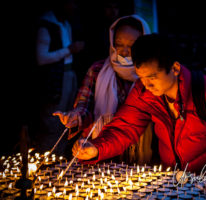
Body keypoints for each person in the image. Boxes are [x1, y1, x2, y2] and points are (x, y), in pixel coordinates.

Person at [71, 34, 206, 176]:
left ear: (175, 69)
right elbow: (125, 127)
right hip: (173, 181)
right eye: (141, 77)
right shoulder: (145, 92)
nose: (146, 85)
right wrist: (96, 148)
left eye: (152, 77)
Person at [53, 15, 153, 164]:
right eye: (119, 44)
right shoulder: (98, 70)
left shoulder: (150, 74)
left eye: (132, 46)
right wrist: (75, 117)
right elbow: (84, 106)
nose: (124, 52)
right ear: (112, 42)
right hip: (98, 145)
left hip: (139, 149)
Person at [33, 0, 85, 155]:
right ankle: (46, 161)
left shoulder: (66, 23)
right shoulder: (47, 25)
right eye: (71, 3)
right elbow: (41, 58)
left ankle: (58, 161)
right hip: (54, 81)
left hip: (69, 76)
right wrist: (69, 50)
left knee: (67, 121)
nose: (74, 6)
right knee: (53, 123)